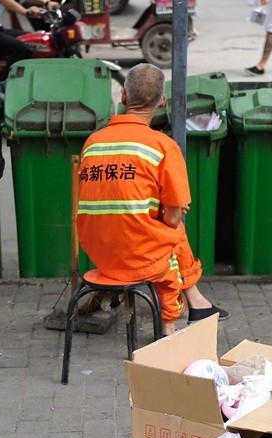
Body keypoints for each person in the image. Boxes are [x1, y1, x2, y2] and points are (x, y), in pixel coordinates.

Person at [76, 63, 229, 336]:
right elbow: (172, 218)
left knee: (162, 229)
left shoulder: (92, 142)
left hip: (98, 253)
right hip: (137, 257)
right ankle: (168, 329)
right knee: (173, 230)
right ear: (162, 102)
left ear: (123, 96)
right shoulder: (163, 146)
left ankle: (198, 303)